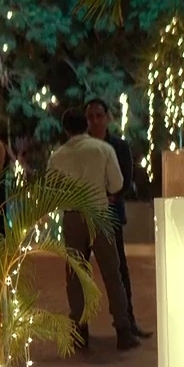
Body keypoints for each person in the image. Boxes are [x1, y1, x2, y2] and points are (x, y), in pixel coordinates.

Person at [48, 108, 139, 351]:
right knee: (112, 273)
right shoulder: (102, 149)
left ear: (66, 129)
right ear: (86, 125)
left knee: (76, 274)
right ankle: (123, 329)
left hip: (73, 216)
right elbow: (117, 184)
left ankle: (80, 330)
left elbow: (51, 188)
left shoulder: (57, 156)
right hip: (99, 213)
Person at [85, 98, 151, 338]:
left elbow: (125, 178)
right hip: (86, 213)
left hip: (111, 213)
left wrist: (111, 196)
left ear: (107, 117)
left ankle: (127, 322)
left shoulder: (119, 146)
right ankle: (81, 329)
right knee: (80, 270)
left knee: (119, 270)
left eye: (98, 115)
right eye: (90, 117)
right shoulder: (81, 146)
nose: (95, 121)